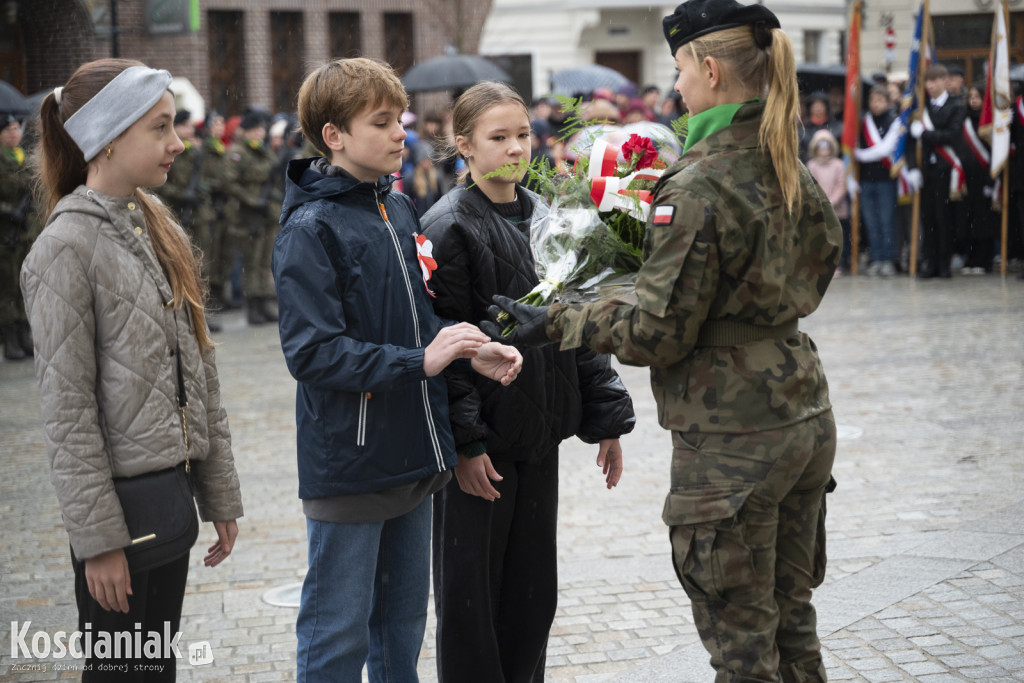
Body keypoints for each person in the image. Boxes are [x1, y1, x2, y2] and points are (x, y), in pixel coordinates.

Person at [488, 1, 843, 680]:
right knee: (792, 624)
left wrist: (556, 320)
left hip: (733, 437)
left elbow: (660, 329)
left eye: (680, 68)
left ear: (709, 69)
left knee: (743, 649)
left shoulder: (700, 181)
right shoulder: (783, 157)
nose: (676, 85)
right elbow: (814, 267)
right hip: (801, 412)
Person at [272, 57, 523, 683]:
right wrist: (422, 359)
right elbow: (312, 354)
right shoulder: (310, 227)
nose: (399, 135)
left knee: (402, 628)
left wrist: (468, 347)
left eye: (400, 120)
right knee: (338, 635)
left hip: (415, 453)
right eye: (381, 123)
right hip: (352, 466)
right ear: (334, 136)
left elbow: (418, 325)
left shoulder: (398, 207)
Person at [20, 58, 243, 681]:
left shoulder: (156, 225)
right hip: (119, 516)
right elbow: (68, 415)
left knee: (156, 668)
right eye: (161, 127)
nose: (178, 143)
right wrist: (98, 543)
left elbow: (200, 375)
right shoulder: (63, 249)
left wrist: (218, 495)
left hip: (168, 504)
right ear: (110, 135)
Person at [420, 81, 635, 683]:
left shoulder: (550, 218)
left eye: (523, 135)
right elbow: (448, 348)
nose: (516, 149)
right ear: (464, 145)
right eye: (499, 138)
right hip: (484, 447)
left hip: (541, 434)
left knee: (532, 597)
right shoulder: (447, 226)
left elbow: (580, 324)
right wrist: (465, 443)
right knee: (472, 602)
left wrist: (606, 421)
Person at [909, 64, 966, 279]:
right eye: (927, 81)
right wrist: (913, 168)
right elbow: (910, 142)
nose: (930, 86)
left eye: (935, 81)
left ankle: (944, 264)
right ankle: (930, 263)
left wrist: (924, 134)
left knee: (944, 219)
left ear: (945, 81)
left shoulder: (955, 106)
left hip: (946, 169)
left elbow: (951, 135)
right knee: (928, 219)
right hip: (926, 170)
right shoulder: (921, 108)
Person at [224, 109, 277, 323]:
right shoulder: (238, 152)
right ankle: (252, 306)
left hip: (266, 214)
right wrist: (252, 201)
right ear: (244, 131)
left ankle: (263, 303)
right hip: (247, 217)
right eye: (255, 130)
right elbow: (230, 183)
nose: (259, 134)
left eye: (261, 130)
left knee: (265, 262)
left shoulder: (263, 152)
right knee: (251, 263)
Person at [854, 84, 900, 276]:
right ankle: (877, 257)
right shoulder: (863, 121)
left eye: (880, 100)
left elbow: (885, 149)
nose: (876, 104)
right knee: (871, 222)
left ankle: (889, 259)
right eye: (873, 100)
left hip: (885, 179)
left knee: (886, 221)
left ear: (888, 102)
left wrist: (860, 155)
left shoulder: (894, 121)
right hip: (866, 179)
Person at [0, 112, 35, 360]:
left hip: (25, 232)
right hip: (5, 233)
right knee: (7, 287)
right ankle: (10, 340)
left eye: (16, 128)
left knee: (24, 286)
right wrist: (8, 211)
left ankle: (25, 336)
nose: (14, 133)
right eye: (8, 129)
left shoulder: (25, 158)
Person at [958, 83, 998, 274]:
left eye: (977, 97)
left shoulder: (990, 122)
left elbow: (994, 152)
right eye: (971, 96)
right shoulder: (964, 120)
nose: (973, 100)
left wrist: (991, 182)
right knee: (968, 220)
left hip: (985, 177)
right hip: (968, 177)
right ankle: (971, 259)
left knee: (984, 221)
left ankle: (984, 260)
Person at [806, 129, 850, 275]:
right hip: (818, 210)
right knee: (820, 238)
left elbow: (841, 185)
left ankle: (838, 264)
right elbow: (810, 185)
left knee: (836, 238)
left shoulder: (839, 164)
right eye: (820, 145)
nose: (824, 149)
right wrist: (819, 202)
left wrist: (831, 201)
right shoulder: (811, 165)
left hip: (837, 210)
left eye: (827, 145)